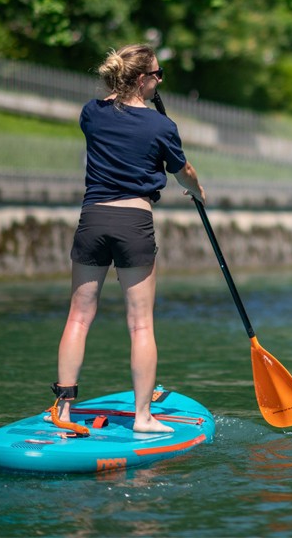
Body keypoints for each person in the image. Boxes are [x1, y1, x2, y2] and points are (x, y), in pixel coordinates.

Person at [51, 44, 206, 435]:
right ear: (141, 79)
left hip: (94, 218)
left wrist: (117, 97)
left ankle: (63, 410)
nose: (160, 81)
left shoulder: (91, 112)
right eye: (157, 74)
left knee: (78, 317)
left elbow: (105, 111)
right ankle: (143, 418)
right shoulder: (161, 126)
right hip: (134, 222)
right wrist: (199, 191)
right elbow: (182, 170)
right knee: (140, 325)